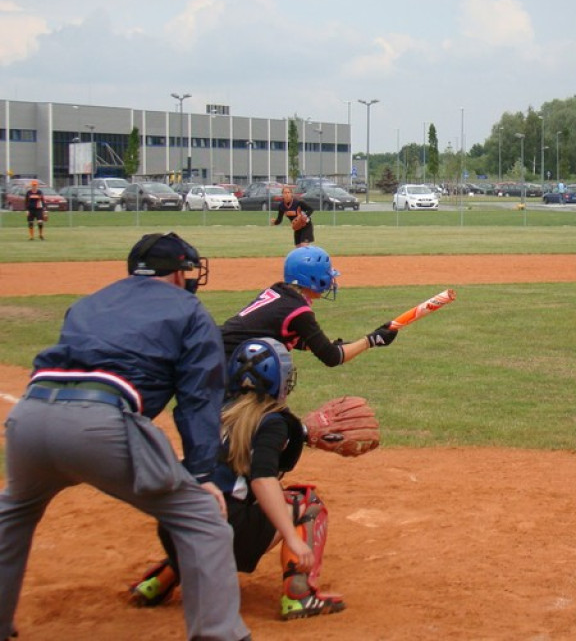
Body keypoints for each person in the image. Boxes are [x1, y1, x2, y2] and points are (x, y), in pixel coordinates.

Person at [0, 233, 250, 641]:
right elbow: (197, 398)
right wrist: (203, 474)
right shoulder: (188, 308)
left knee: (13, 512)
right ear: (177, 274)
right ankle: (219, 635)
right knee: (203, 521)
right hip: (98, 424)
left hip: (29, 417)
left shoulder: (91, 300)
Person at [129, 338, 346, 621]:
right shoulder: (272, 421)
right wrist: (292, 538)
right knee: (307, 502)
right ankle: (299, 595)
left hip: (174, 529)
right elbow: (262, 480)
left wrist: (302, 433)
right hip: (227, 537)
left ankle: (157, 582)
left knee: (206, 511)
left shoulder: (216, 409)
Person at [221, 244, 398, 370]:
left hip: (216, 349)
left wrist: (339, 345)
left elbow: (301, 341)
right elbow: (332, 357)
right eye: (326, 273)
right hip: (221, 362)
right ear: (311, 278)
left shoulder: (280, 291)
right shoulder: (299, 310)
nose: (330, 279)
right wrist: (372, 340)